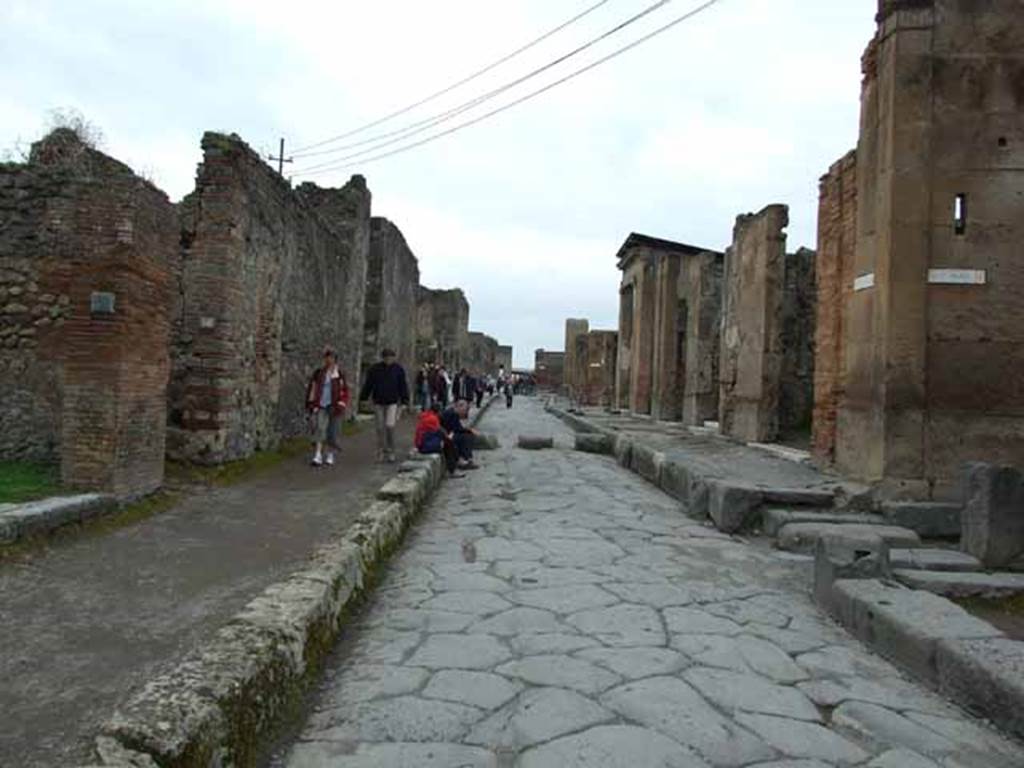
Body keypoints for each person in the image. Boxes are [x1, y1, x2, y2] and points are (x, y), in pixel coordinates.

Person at [359, 347, 409, 463]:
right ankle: (381, 451)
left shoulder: (398, 369)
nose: (388, 359)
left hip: (392, 402)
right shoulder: (375, 369)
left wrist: (405, 401)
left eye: (390, 357)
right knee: (380, 428)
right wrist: (364, 397)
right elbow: (369, 384)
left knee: (390, 426)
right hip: (378, 402)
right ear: (383, 358)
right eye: (386, 357)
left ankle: (391, 450)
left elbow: (403, 385)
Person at [305, 346, 350, 467]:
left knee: (332, 431)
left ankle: (330, 454)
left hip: (334, 406)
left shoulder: (339, 374)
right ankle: (318, 454)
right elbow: (313, 388)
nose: (329, 360)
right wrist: (311, 403)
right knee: (320, 428)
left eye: (332, 357)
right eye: (327, 357)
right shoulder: (319, 373)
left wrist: (342, 403)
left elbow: (345, 390)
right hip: (321, 404)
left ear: (335, 359)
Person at [414, 403, 462, 477]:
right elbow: (441, 432)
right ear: (438, 411)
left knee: (448, 443)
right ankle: (453, 470)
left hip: (422, 443)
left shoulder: (427, 416)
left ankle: (455, 464)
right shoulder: (433, 419)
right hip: (426, 445)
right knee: (448, 445)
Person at [441, 399, 479, 470]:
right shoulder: (452, 414)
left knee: (466, 436)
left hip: (448, 434)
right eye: (464, 410)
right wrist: (469, 430)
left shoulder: (453, 413)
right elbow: (456, 428)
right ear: (459, 407)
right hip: (446, 435)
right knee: (464, 437)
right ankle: (466, 459)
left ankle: (467, 458)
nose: (465, 413)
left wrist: (468, 430)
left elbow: (458, 428)